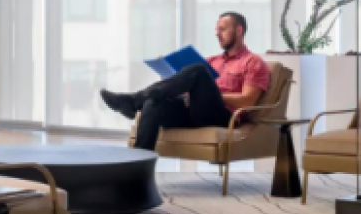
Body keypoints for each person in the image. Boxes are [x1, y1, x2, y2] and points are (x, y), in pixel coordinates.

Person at [100, 12, 271, 151]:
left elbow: (248, 100)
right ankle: (138, 168)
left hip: (222, 115)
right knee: (153, 102)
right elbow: (185, 91)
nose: (217, 34)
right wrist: (167, 74)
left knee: (198, 70)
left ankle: (134, 101)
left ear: (239, 30)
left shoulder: (253, 62)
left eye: (223, 29)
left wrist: (212, 96)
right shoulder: (212, 61)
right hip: (192, 109)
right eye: (216, 29)